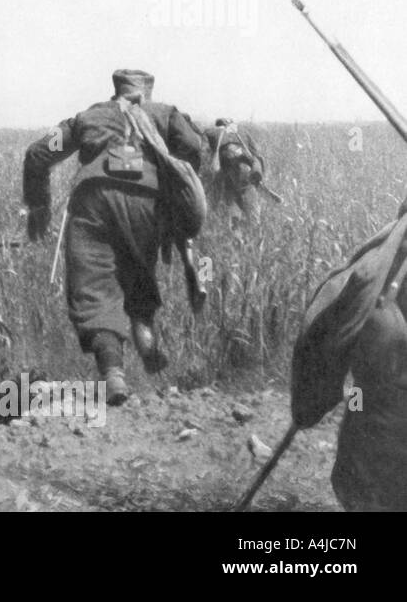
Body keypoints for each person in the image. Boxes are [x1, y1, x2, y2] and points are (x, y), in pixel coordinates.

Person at [22, 69, 203, 405]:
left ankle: (113, 373)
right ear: (146, 92)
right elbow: (193, 146)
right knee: (139, 276)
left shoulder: (87, 117)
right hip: (146, 204)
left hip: (94, 201)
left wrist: (39, 207)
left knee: (92, 285)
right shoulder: (166, 114)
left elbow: (37, 153)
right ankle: (147, 344)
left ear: (115, 90)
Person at [291, 202, 407, 510]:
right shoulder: (382, 267)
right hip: (371, 412)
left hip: (375, 419)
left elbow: (339, 340)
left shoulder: (382, 261)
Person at [204, 118, 265, 228]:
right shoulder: (242, 131)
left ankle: (232, 225)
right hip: (247, 175)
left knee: (230, 206)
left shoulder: (212, 132)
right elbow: (256, 153)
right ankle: (253, 231)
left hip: (228, 177)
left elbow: (205, 155)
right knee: (253, 215)